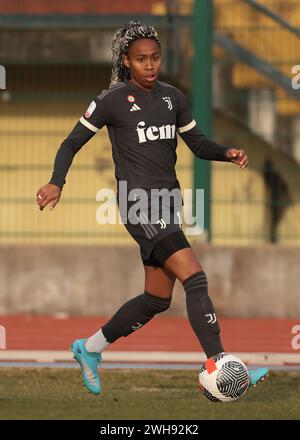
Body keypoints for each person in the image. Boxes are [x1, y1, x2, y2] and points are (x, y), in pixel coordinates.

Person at [36, 21, 268, 395]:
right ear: (126, 61)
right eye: (141, 59)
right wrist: (55, 181)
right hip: (137, 205)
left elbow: (196, 143)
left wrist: (226, 153)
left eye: (155, 57)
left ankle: (89, 348)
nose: (149, 65)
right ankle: (221, 365)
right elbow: (70, 143)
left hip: (167, 205)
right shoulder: (111, 100)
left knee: (157, 299)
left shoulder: (172, 98)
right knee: (196, 277)